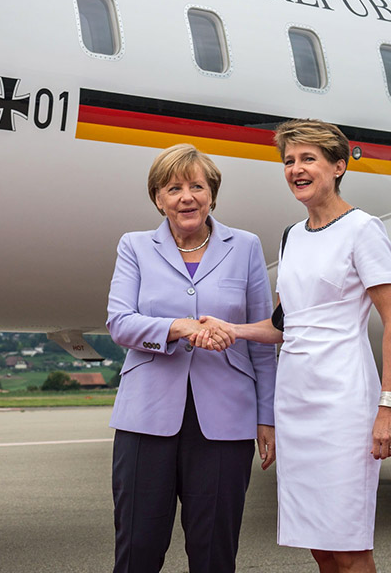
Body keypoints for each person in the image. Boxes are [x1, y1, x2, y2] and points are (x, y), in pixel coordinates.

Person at [191, 119, 391, 573]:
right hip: (296, 400)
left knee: (348, 545)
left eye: (308, 159)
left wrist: (389, 406)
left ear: (339, 166)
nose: (296, 169)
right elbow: (285, 324)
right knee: (320, 546)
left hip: (344, 400)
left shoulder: (363, 229)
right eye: (289, 161)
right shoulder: (292, 235)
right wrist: (232, 329)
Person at [106, 143, 277, 573]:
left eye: (197, 186)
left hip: (225, 419)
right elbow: (120, 323)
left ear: (212, 194)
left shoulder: (246, 247)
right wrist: (179, 327)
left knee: (214, 552)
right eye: (174, 187)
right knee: (137, 550)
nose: (187, 196)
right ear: (158, 198)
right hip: (145, 416)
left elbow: (262, 337)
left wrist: (267, 416)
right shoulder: (135, 246)